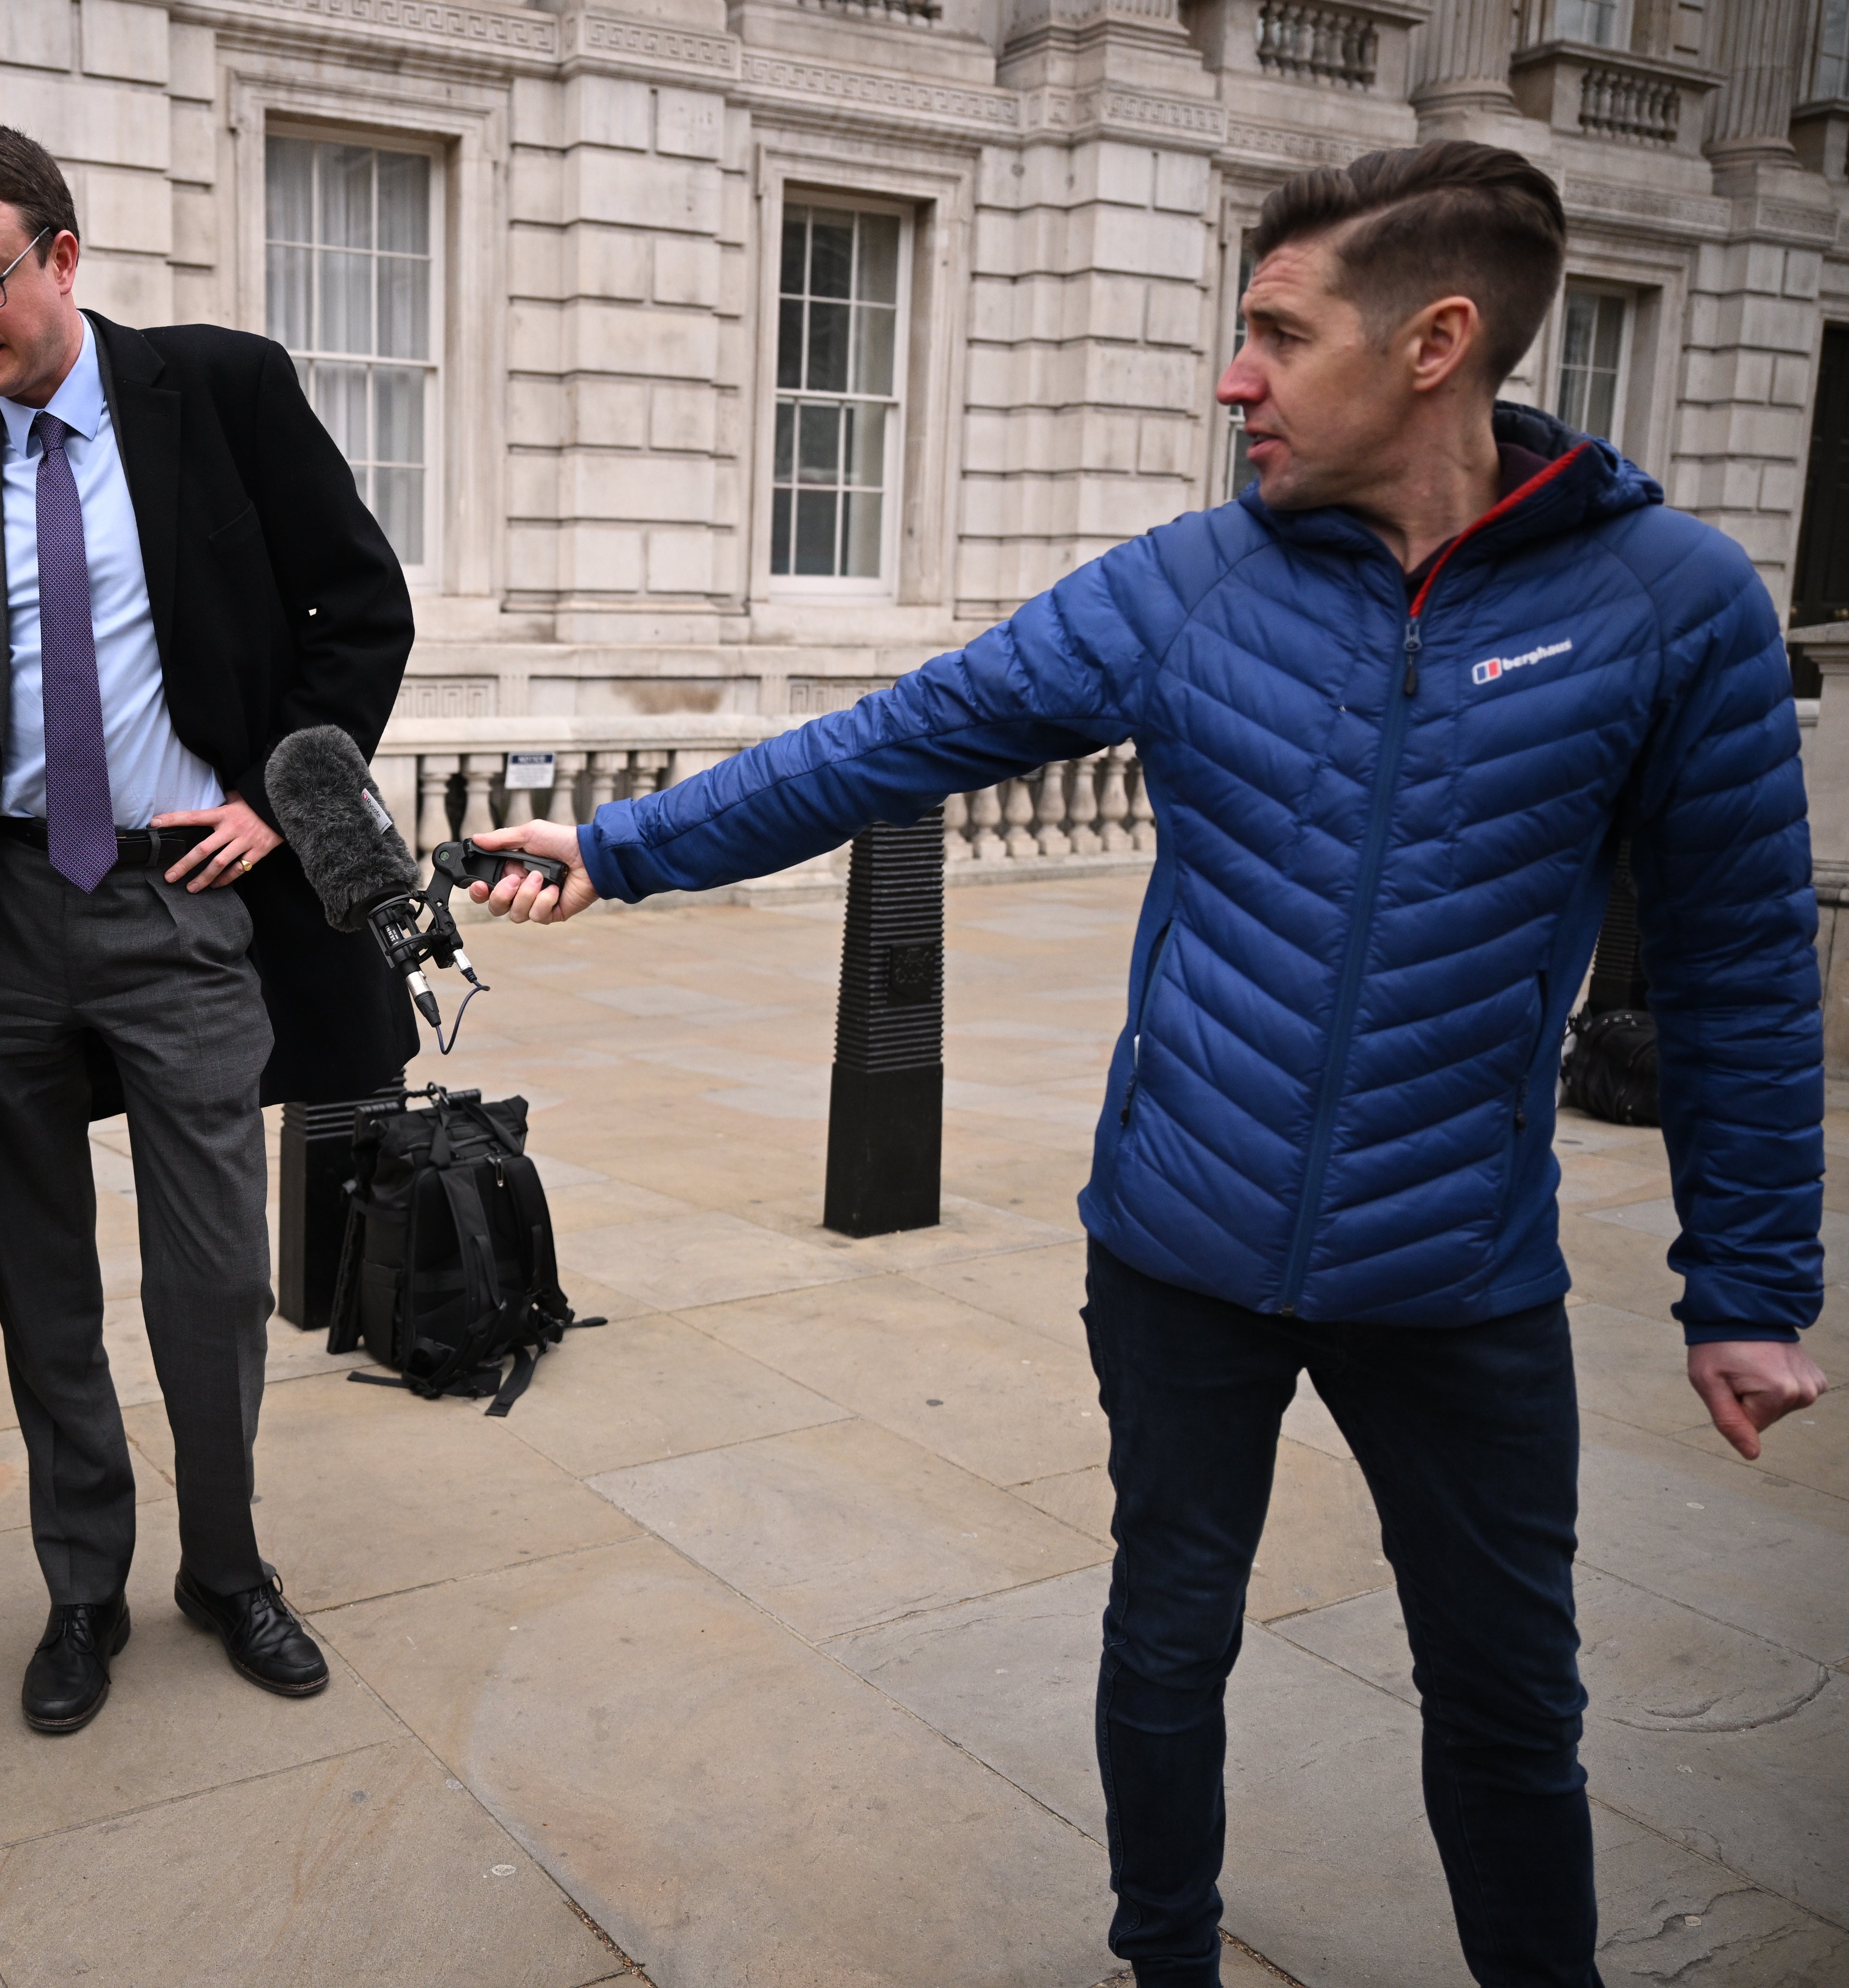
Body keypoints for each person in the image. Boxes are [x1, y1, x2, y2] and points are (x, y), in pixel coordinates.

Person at [461, 142, 1827, 1987]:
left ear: (1436, 344)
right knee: (1169, 1638)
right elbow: (900, 737)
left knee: (1511, 1704)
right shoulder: (1191, 582)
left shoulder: (1674, 605)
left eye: (1276, 332)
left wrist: (1746, 1284)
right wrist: (618, 848)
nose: (1232, 378)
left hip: (1460, 1277)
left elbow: (1743, 965)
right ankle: (1162, 1956)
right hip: (1181, 1246)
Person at [0, 125, 416, 1734]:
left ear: (65, 257)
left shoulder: (219, 391)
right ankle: (82, 1587)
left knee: (212, 1276)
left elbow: (357, 607)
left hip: (186, 900)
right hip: (3, 909)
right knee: (41, 1280)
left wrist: (277, 799)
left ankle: (227, 1568)